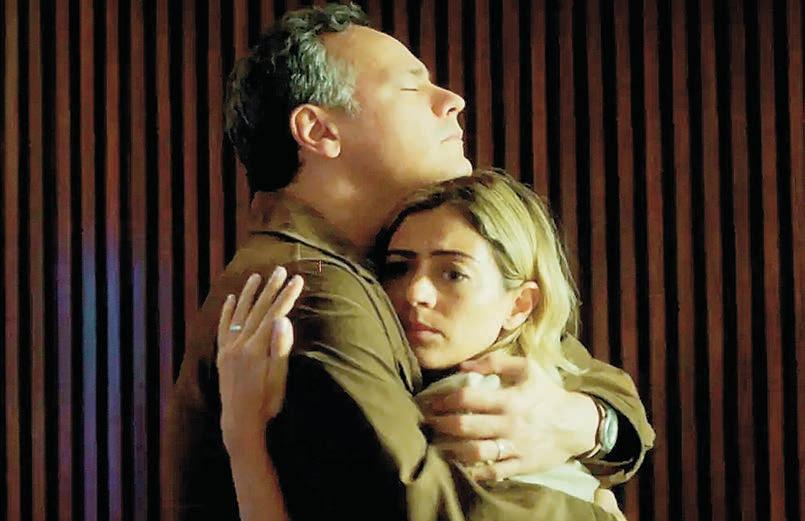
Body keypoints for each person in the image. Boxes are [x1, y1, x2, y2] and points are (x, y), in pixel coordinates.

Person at [167, 4, 654, 520]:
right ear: (319, 130)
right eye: (410, 87)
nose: (452, 100)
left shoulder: (378, 259)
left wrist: (586, 424)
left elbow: (578, 369)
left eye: (452, 272)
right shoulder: (309, 287)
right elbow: (415, 507)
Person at [217, 170, 632, 520]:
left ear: (520, 305)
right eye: (399, 268)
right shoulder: (535, 376)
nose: (416, 293)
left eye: (453, 274)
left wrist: (246, 439)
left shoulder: (470, 407)